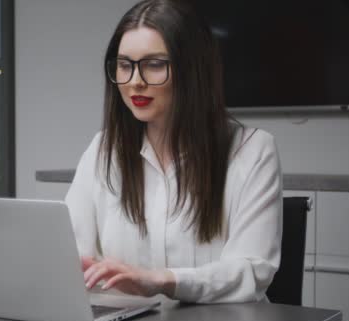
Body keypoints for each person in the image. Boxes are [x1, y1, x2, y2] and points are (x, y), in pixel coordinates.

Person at [65, 0, 282, 303]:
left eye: (154, 65)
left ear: (192, 70)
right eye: (125, 65)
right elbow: (72, 254)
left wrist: (163, 280)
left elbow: (251, 270)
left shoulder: (253, 150)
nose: (135, 82)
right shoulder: (102, 150)